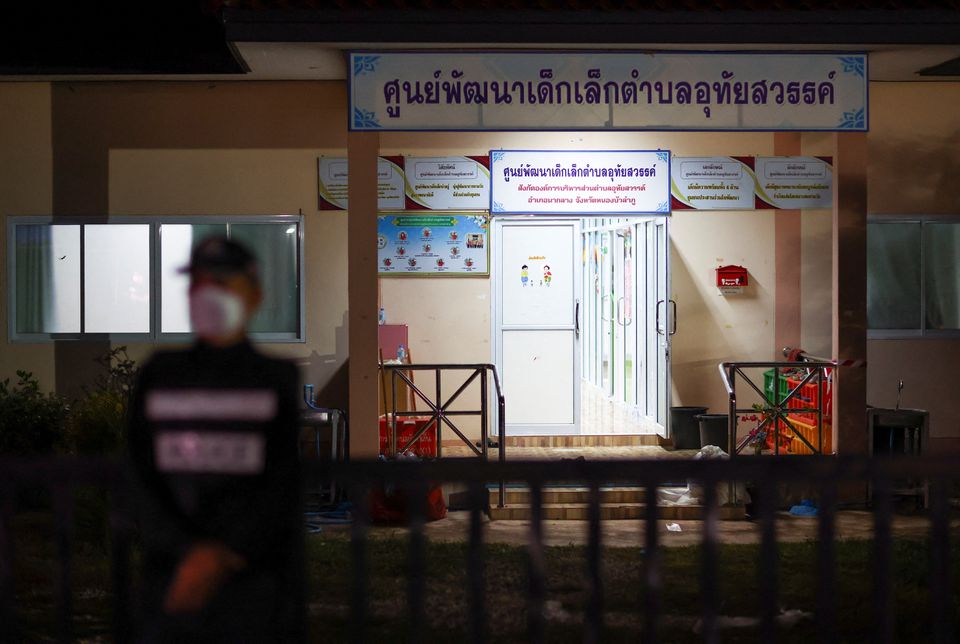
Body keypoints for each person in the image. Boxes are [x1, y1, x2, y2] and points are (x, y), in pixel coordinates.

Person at [127, 236, 304, 643]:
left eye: (222, 283)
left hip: (252, 584)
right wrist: (185, 552)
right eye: (198, 284)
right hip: (172, 580)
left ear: (254, 296)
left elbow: (278, 482)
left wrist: (214, 557)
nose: (207, 294)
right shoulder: (159, 374)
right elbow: (140, 473)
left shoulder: (274, 379)